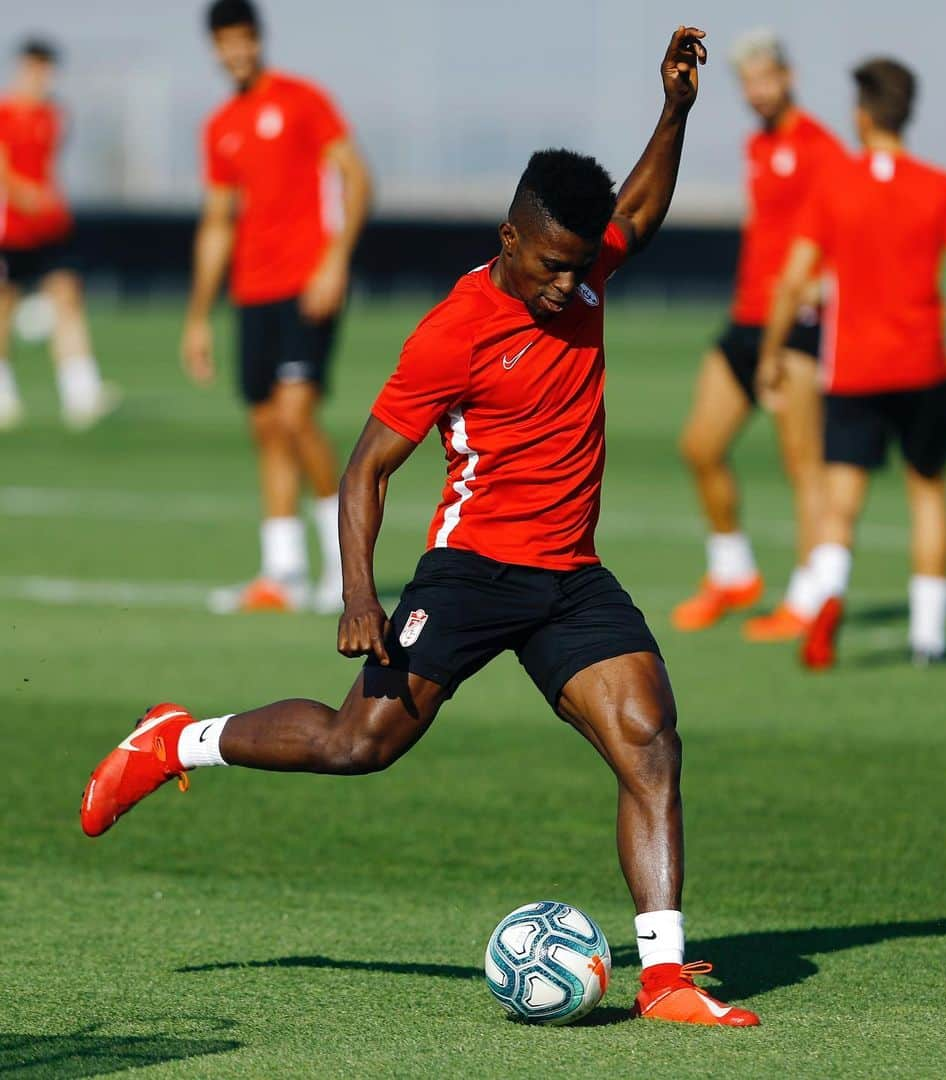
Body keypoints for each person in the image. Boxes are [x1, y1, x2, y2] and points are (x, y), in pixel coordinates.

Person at [82, 26, 762, 1029]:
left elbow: (640, 214)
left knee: (650, 743)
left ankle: (664, 976)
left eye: (582, 267)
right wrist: (360, 595)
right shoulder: (454, 331)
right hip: (472, 571)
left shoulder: (581, 270)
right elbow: (365, 471)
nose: (568, 285)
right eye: (550, 267)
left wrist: (675, 110)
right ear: (509, 238)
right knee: (359, 744)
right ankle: (181, 740)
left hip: (570, 576)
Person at [759, 58, 946, 670]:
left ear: (862, 113)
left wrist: (769, 355)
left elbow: (791, 281)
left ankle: (831, 595)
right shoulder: (942, 188)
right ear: (908, 112)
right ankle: (929, 638)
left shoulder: (834, 186)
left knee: (841, 504)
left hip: (852, 371)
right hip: (923, 367)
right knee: (929, 496)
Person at [182, 0, 373, 614]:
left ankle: (345, 569)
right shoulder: (219, 127)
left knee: (296, 417)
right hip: (252, 293)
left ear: (257, 40)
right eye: (224, 42)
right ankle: (283, 571)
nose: (235, 51)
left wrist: (335, 257)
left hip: (306, 286)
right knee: (265, 427)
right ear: (214, 48)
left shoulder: (302, 100)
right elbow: (216, 222)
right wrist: (197, 316)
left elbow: (355, 175)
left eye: (243, 39)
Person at [672, 28, 845, 640]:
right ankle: (732, 571)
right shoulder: (757, 145)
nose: (757, 91)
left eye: (766, 78)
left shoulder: (822, 148)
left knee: (803, 466)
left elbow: (847, 233)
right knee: (699, 445)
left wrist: (820, 289)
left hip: (796, 328)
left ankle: (806, 597)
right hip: (745, 321)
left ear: (788, 77)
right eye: (747, 82)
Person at [0, 38, 118, 431]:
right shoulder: (3, 113)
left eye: (46, 69)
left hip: (50, 226)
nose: (40, 77)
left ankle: (81, 392)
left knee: (67, 296)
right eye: (33, 68)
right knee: (3, 309)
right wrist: (21, 193)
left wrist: (46, 200)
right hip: (9, 228)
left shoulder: (54, 115)